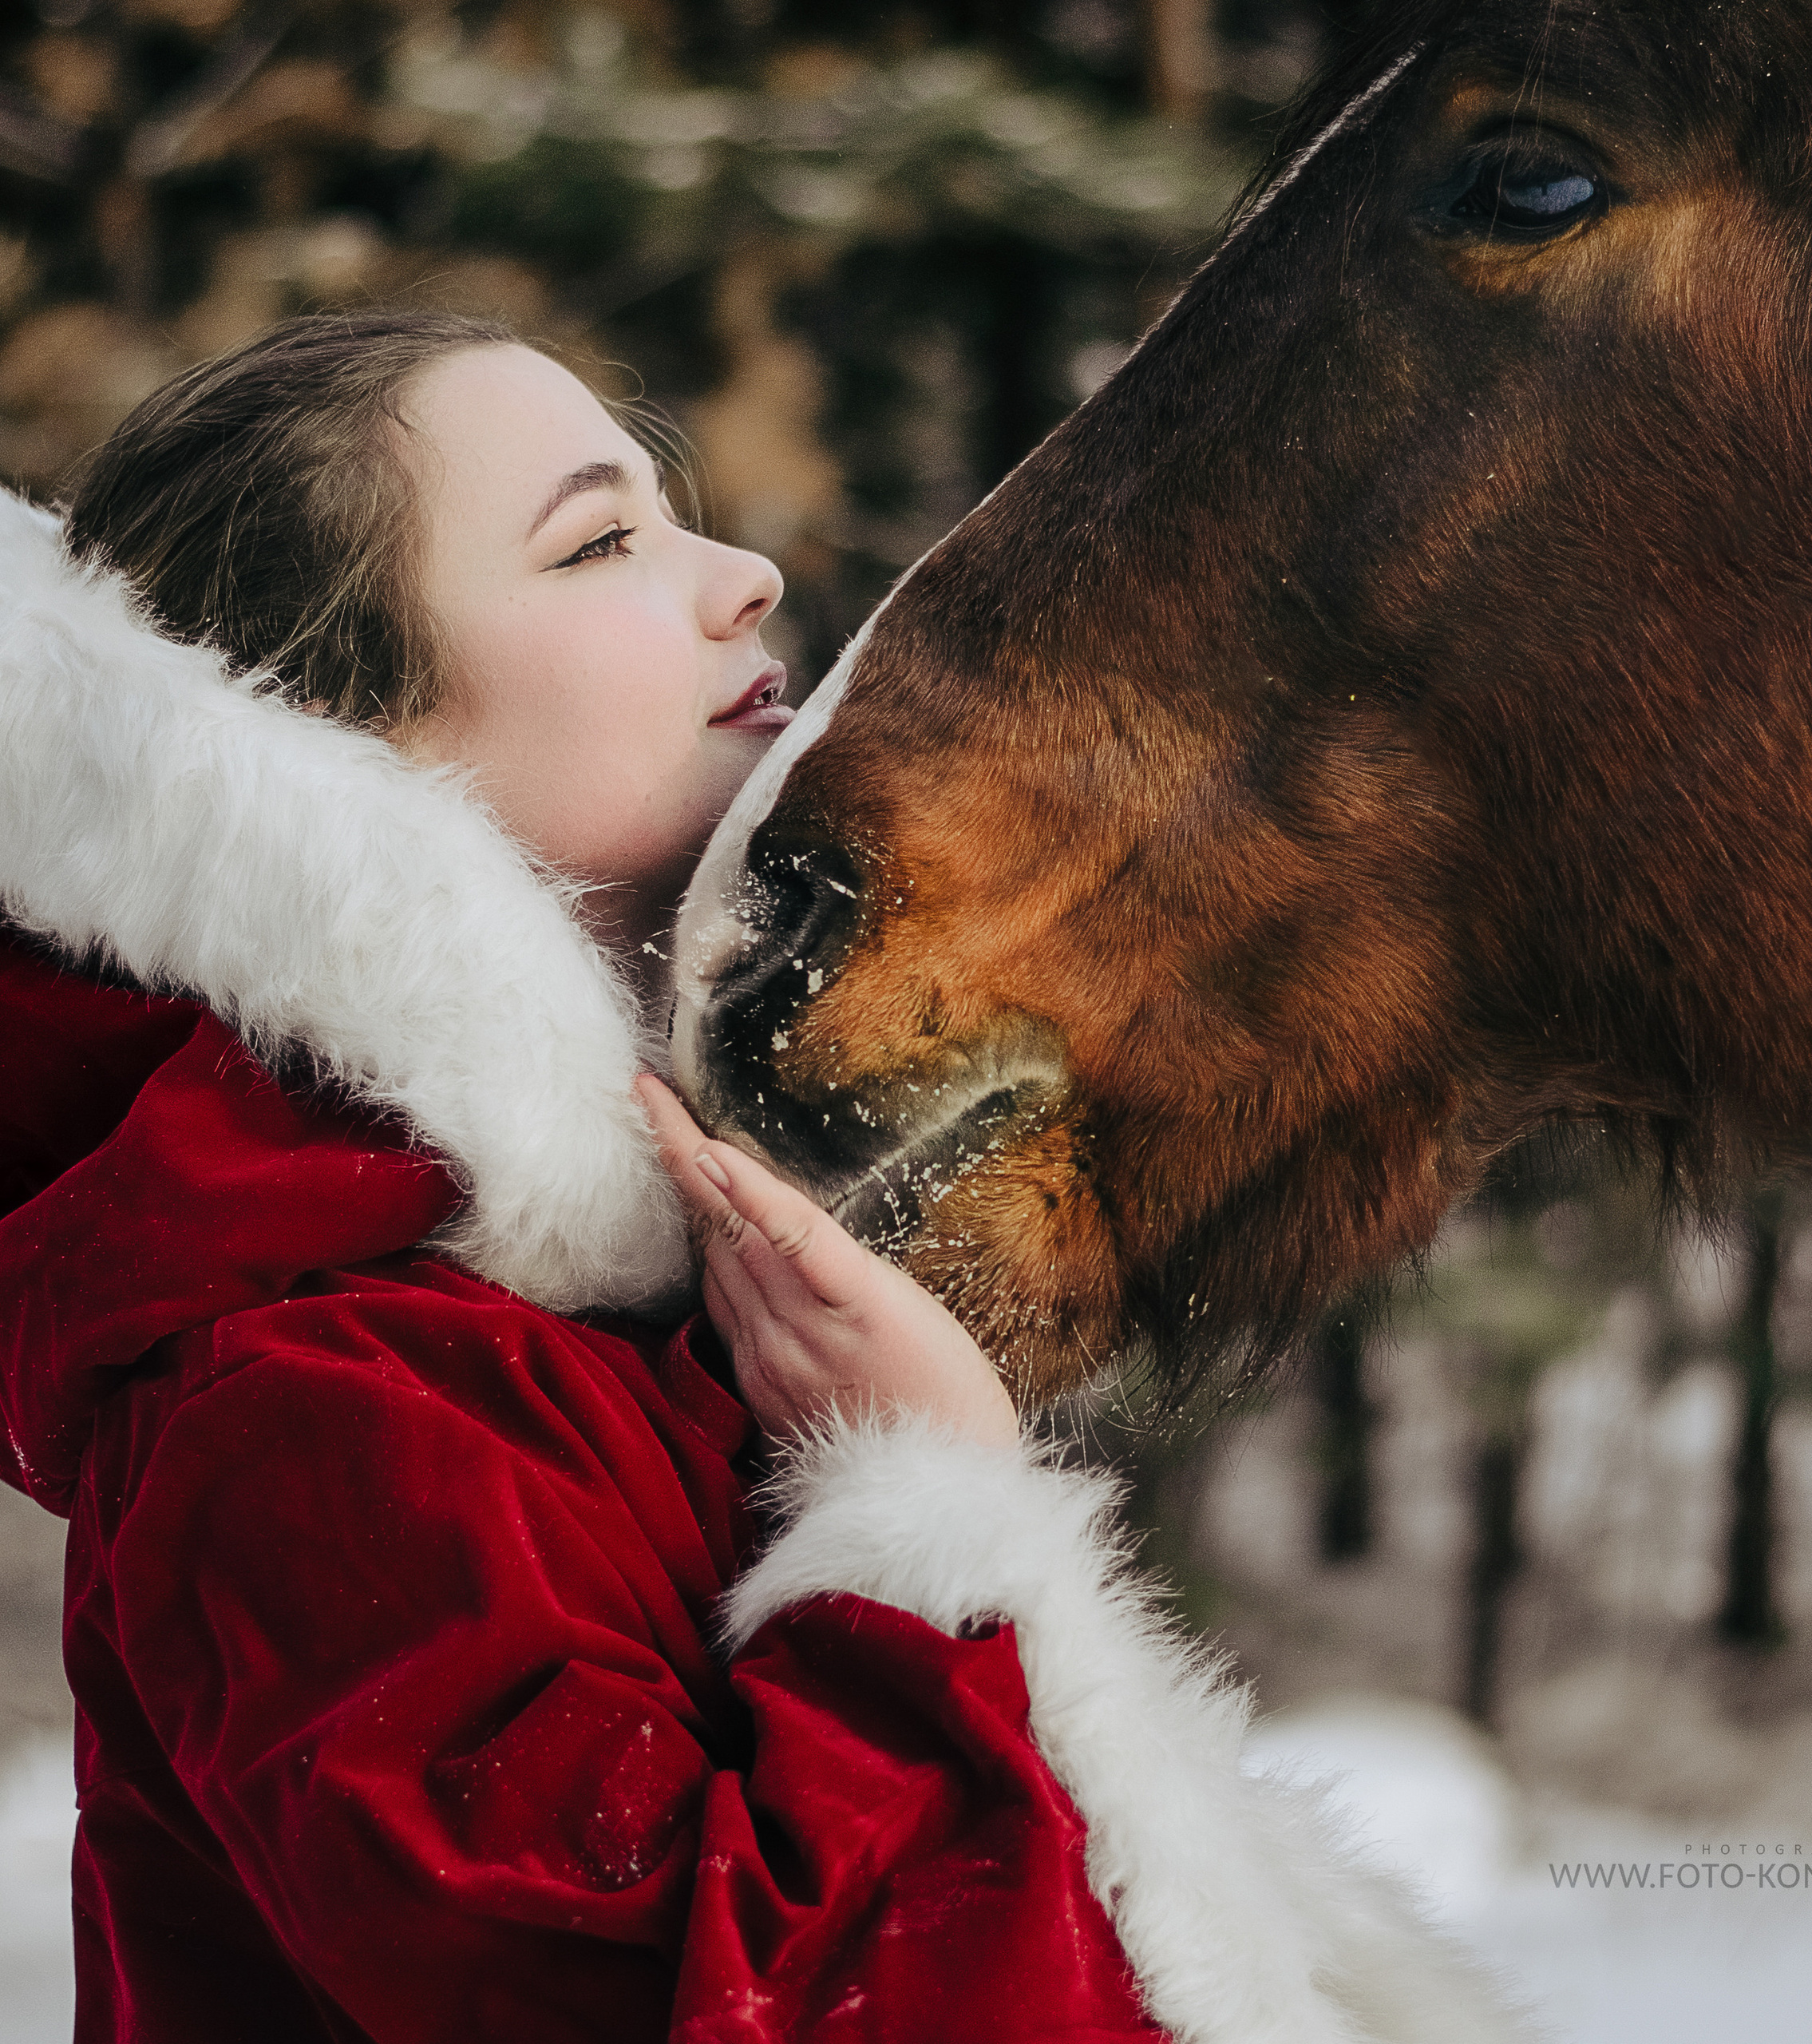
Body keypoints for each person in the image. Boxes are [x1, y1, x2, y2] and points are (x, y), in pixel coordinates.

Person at [0, 312, 1513, 2042]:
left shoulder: (645, 1303)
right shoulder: (306, 1416)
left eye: (673, 512)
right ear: (311, 755)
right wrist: (916, 1524)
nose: (745, 578)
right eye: (596, 541)